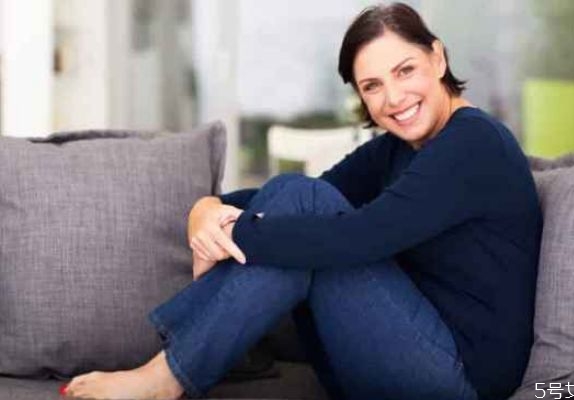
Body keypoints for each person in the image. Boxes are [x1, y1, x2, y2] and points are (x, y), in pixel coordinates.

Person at [62, 3, 542, 400]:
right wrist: (206, 209)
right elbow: (305, 195)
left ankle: (170, 375)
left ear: (437, 59)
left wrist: (233, 230)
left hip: (456, 377)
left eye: (405, 70)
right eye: (372, 86)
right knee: (296, 191)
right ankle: (216, 352)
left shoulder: (473, 143)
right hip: (393, 352)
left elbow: (364, 236)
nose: (394, 97)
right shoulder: (399, 148)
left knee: (304, 202)